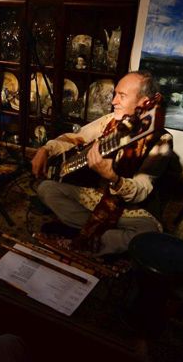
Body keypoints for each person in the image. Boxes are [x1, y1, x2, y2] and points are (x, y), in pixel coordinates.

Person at [31, 70, 172, 256]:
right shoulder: (110, 121)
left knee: (148, 230)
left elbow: (142, 189)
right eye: (115, 94)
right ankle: (94, 232)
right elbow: (75, 138)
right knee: (46, 189)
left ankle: (86, 238)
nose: (113, 101)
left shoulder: (161, 140)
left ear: (143, 102)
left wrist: (112, 177)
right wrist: (46, 149)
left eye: (122, 96)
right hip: (94, 195)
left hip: (126, 207)